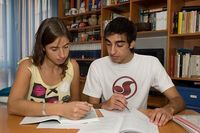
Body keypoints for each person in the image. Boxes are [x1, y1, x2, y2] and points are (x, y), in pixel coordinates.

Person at [83, 17, 185, 126]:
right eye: (108, 44)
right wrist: (104, 105)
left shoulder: (151, 63)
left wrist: (168, 109)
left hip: (140, 125)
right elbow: (90, 106)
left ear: (132, 44)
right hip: (107, 125)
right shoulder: (97, 66)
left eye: (119, 45)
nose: (112, 51)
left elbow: (178, 100)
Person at [8, 17, 92, 120]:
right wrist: (58, 109)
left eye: (66, 47)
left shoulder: (73, 66)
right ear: (43, 47)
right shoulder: (27, 66)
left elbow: (74, 100)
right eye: (54, 49)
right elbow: (13, 105)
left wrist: (80, 108)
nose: (62, 55)